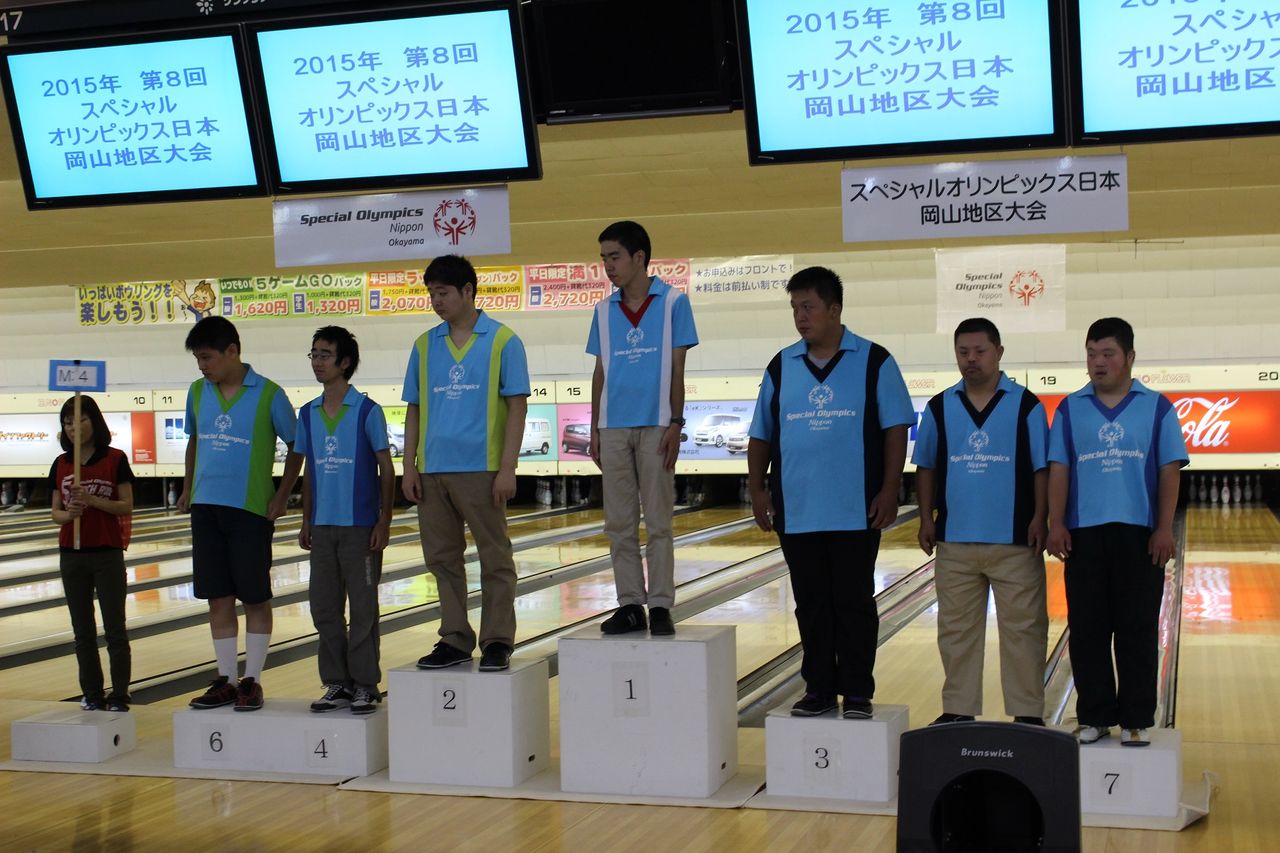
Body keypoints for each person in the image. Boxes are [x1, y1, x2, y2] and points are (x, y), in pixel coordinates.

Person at [747, 266, 913, 719]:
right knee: (812, 606)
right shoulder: (781, 365)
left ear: (834, 309)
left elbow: (895, 429)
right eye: (795, 308)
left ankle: (857, 691)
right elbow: (761, 433)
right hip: (797, 509)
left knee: (854, 603)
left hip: (856, 509)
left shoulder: (875, 360)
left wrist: (890, 488)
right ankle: (818, 688)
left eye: (809, 307)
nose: (800, 317)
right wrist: (757, 488)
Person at [1047, 317, 1188, 747]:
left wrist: (1164, 528)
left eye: (1108, 353)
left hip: (1139, 535)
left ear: (1129, 357)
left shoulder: (1157, 407)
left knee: (1137, 630)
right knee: (1087, 630)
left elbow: (1169, 471)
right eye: (1091, 354)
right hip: (1084, 535)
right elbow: (1059, 470)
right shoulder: (1070, 408)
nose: (1098, 362)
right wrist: (1056, 522)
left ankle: (1136, 719)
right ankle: (1094, 716)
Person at [913, 318, 1050, 727]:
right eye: (963, 352)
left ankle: (1028, 714)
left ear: (999, 352)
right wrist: (925, 518)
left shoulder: (1026, 405)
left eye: (980, 351)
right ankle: (958, 709)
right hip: (955, 540)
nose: (971, 359)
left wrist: (1040, 517)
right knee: (955, 632)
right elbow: (926, 466)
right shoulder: (939, 407)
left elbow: (1041, 469)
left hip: (1015, 541)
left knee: (1024, 631)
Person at [402, 254, 530, 672]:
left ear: (468, 291)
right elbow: (414, 409)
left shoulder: (504, 340)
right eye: (431, 294)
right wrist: (409, 465)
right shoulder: (424, 345)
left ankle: (497, 640)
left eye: (443, 293)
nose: (436, 301)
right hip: (432, 469)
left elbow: (517, 408)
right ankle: (454, 638)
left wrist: (507, 468)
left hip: (483, 468)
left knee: (495, 559)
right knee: (442, 560)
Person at [177, 316, 299, 711]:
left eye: (207, 357)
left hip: (250, 510)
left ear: (232, 351)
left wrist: (283, 495)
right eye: (198, 359)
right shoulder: (197, 392)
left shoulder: (269, 394)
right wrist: (187, 487)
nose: (202, 366)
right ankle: (227, 679)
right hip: (205, 507)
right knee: (218, 598)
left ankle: (253, 680)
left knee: (255, 597)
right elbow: (195, 440)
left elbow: (297, 445)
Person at [588, 220, 698, 635]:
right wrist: (595, 427)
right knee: (618, 524)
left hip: (656, 424)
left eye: (614, 257)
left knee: (658, 522)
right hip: (613, 427)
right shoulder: (602, 310)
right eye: (603, 258)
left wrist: (676, 421)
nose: (608, 266)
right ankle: (631, 604)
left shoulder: (673, 303)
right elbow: (600, 371)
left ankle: (662, 604)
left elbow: (678, 369)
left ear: (639, 257)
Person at [293, 326, 394, 715]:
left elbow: (387, 468)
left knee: (363, 610)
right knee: (324, 608)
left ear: (345, 362)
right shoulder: (308, 413)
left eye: (325, 355)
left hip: (360, 527)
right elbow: (309, 472)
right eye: (314, 354)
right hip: (322, 527)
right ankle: (337, 682)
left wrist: (383, 521)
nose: (317, 362)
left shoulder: (368, 411)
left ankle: (365, 684)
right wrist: (306, 520)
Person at [49, 395, 134, 712]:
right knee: (82, 632)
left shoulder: (115, 459)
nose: (74, 427)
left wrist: (93, 500)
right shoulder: (61, 463)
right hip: (71, 554)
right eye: (67, 422)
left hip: (107, 553)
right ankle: (92, 694)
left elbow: (126, 506)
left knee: (115, 629)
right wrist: (69, 513)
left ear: (94, 422)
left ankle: (120, 695)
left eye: (80, 420)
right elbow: (55, 513)